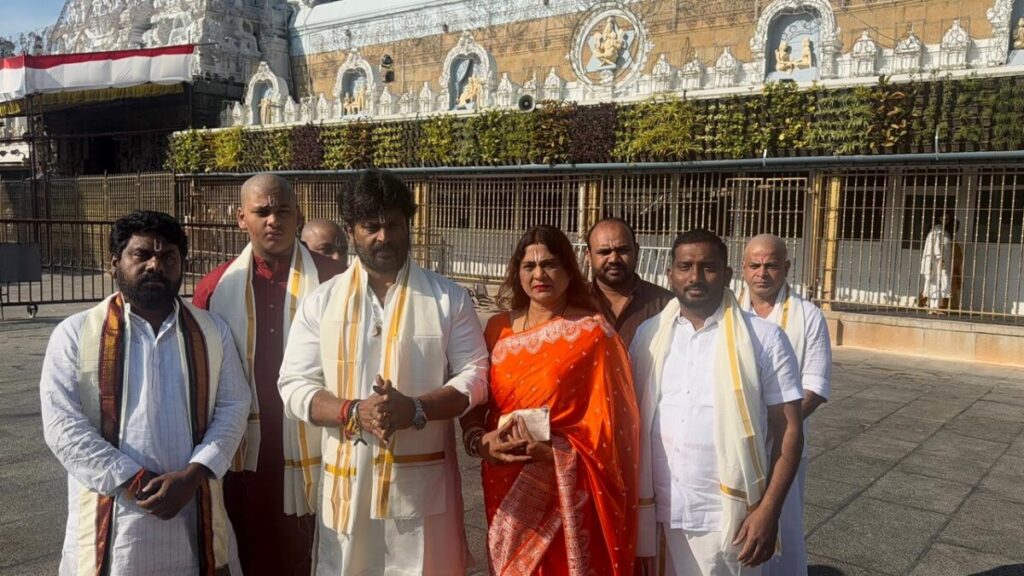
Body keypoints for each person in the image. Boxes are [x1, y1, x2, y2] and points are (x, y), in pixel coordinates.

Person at [277, 168, 489, 574]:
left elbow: (475, 375)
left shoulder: (448, 297)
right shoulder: (322, 301)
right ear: (351, 231)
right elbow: (293, 384)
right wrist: (354, 411)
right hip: (349, 486)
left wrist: (416, 409)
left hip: (421, 495)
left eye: (393, 224)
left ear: (409, 226)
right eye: (370, 227)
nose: (383, 236)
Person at [40, 211, 251, 575]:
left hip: (194, 505)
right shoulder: (75, 333)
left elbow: (234, 406)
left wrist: (193, 475)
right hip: (116, 514)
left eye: (168, 256)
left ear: (182, 265)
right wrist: (134, 480)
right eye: (142, 255)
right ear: (114, 263)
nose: (156, 265)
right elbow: (62, 426)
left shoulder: (212, 330)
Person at [460, 224, 640, 575]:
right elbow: (477, 400)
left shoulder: (593, 334)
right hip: (504, 478)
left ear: (569, 271)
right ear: (517, 273)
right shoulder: (497, 328)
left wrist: (556, 456)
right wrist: (479, 441)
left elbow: (614, 433)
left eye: (550, 264)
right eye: (529, 266)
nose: (539, 275)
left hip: (563, 487)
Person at [192, 174, 345, 576]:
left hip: (320, 440)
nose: (273, 220)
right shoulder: (215, 287)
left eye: (283, 211)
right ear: (241, 218)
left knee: (319, 554)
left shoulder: (338, 279)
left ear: (299, 216)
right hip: (247, 452)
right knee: (253, 552)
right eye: (262, 212)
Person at [631, 229, 804, 576]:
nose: (695, 277)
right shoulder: (648, 335)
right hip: (659, 509)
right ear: (669, 274)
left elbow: (789, 430)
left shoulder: (765, 338)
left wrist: (768, 510)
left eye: (708, 267)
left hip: (728, 517)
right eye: (685, 266)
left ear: (726, 275)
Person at [740, 234, 832, 576]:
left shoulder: (808, 316)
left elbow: (815, 387)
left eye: (771, 265)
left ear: (787, 267)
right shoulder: (727, 309)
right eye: (754, 265)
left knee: (783, 526)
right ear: (743, 268)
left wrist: (774, 424)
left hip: (783, 446)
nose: (762, 273)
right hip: (737, 441)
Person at [586, 217, 674, 347]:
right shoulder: (574, 301)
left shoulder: (666, 305)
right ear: (589, 256)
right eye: (604, 252)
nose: (614, 259)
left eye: (622, 250)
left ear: (636, 251)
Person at [919, 213, 963, 313]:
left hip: (945, 263)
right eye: (943, 217)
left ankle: (937, 306)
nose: (945, 219)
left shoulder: (944, 231)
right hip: (939, 262)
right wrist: (940, 258)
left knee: (943, 283)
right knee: (937, 283)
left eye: (947, 218)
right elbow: (936, 246)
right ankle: (932, 306)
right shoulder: (937, 230)